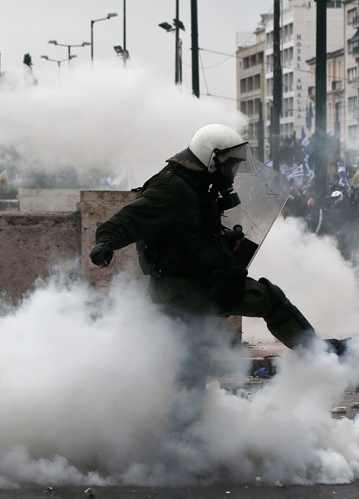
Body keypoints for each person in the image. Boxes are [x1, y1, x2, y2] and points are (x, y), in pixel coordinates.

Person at [89, 124, 343, 353]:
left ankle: (184, 404)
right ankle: (320, 356)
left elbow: (189, 230)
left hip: (184, 284)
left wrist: (223, 237)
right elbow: (131, 217)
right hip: (188, 287)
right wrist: (106, 242)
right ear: (211, 160)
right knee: (268, 298)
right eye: (229, 165)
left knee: (192, 356)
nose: (232, 172)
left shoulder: (194, 184)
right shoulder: (173, 188)